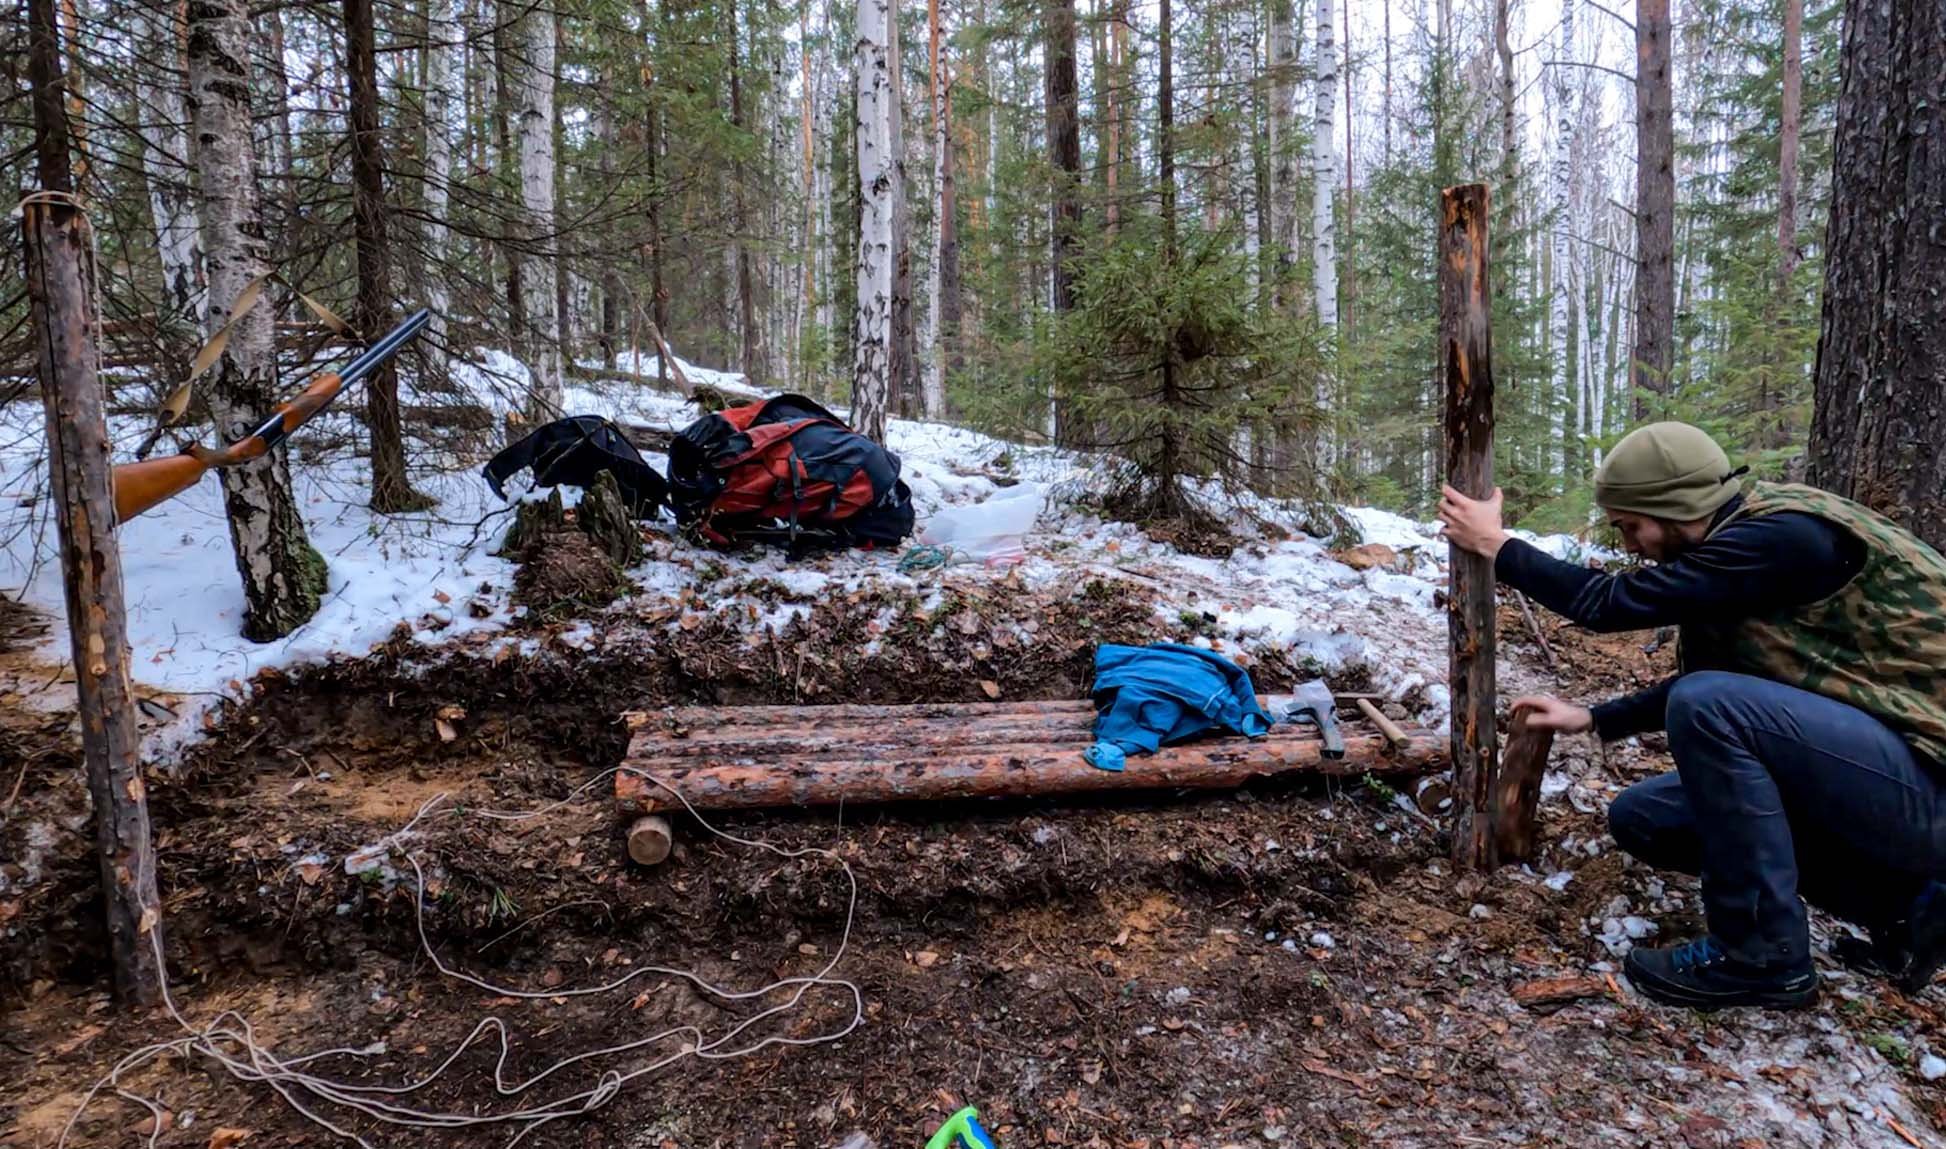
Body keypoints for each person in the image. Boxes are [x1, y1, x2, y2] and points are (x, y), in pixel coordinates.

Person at [1437, 422, 1946, 1010]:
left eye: (1632, 526)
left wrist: (1500, 549)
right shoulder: (1736, 556)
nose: (1630, 545)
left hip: (1932, 788)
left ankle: (1760, 956)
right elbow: (1742, 685)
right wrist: (1596, 718)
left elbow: (1612, 608)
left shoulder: (1785, 540)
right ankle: (1913, 909)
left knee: (1708, 707)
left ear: (1674, 509)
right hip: (1902, 779)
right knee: (1647, 817)